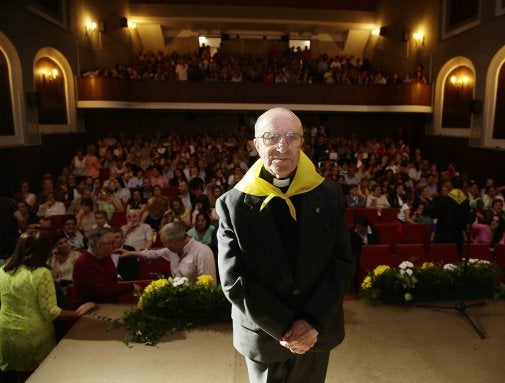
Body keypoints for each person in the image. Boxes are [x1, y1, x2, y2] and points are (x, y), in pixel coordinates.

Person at [216, 107, 356, 383]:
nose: (282, 146)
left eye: (291, 137)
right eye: (271, 137)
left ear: (302, 143)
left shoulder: (329, 195)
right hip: (265, 334)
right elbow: (234, 280)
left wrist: (312, 322)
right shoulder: (232, 204)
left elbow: (342, 262)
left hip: (318, 331)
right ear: (256, 144)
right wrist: (283, 327)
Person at [0, 231, 94, 382]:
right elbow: (51, 312)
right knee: (36, 377)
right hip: (32, 335)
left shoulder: (4, 269)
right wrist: (76, 313)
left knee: (15, 376)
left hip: (6, 332)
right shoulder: (41, 273)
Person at [116, 222, 216, 281]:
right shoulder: (172, 249)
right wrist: (130, 253)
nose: (164, 247)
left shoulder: (202, 252)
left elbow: (208, 284)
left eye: (165, 243)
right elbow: (153, 254)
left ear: (174, 242)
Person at [72, 227, 137, 304]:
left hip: (110, 304)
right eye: (111, 243)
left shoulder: (104, 255)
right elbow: (104, 291)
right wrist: (130, 287)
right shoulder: (84, 263)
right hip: (93, 307)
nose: (115, 246)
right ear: (99, 247)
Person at [430, 176, 471, 255]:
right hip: (458, 236)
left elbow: (433, 214)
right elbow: (467, 220)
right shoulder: (466, 202)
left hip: (443, 235)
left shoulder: (443, 200)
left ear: (451, 186)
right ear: (462, 186)